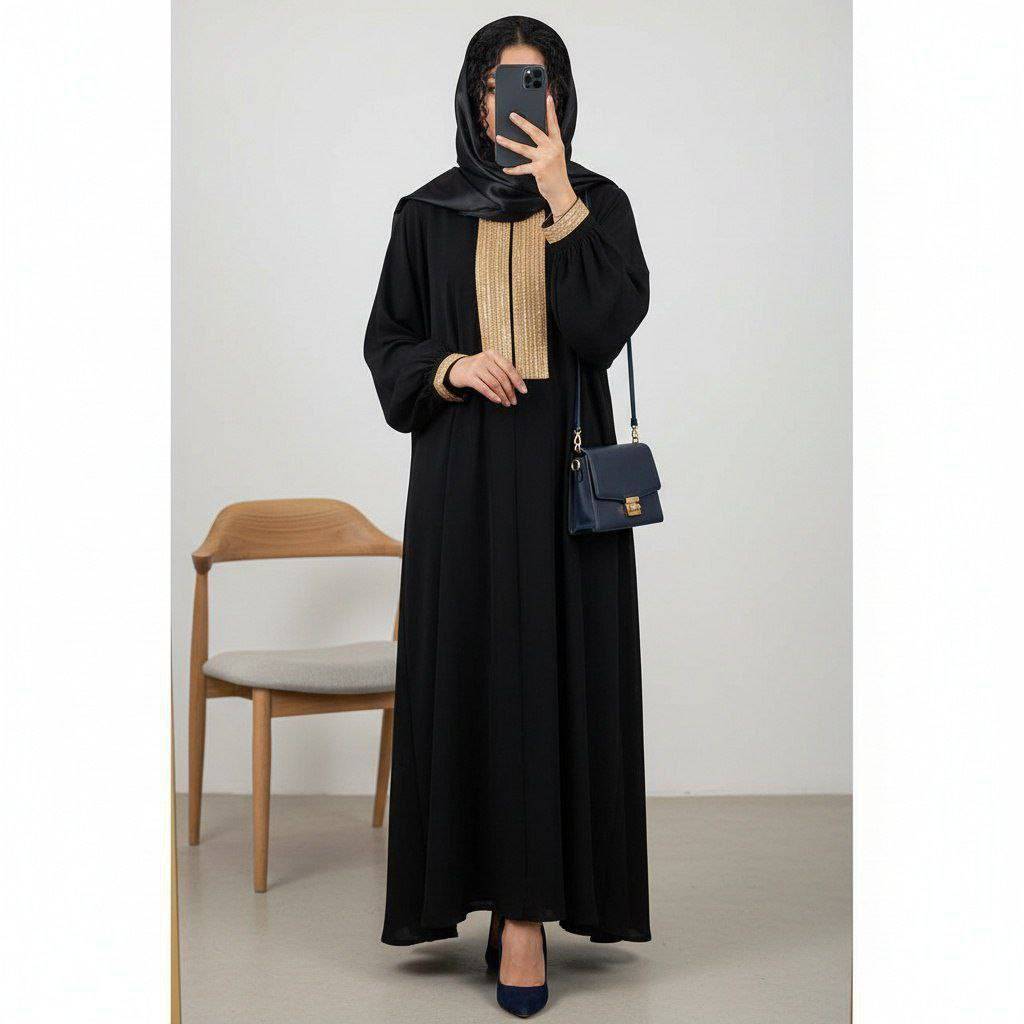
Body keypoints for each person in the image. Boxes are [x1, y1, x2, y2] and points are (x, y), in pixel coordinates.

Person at [364, 15, 651, 1016]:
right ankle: (485, 896)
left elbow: (603, 327)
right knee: (477, 681)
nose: (510, 101)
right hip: (464, 479)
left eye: (532, 82)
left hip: (565, 486)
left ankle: (527, 918)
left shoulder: (598, 203)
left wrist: (561, 193)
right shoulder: (426, 213)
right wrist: (449, 366)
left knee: (553, 684)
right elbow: (388, 341)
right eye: (495, 83)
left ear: (559, 97)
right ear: (471, 95)